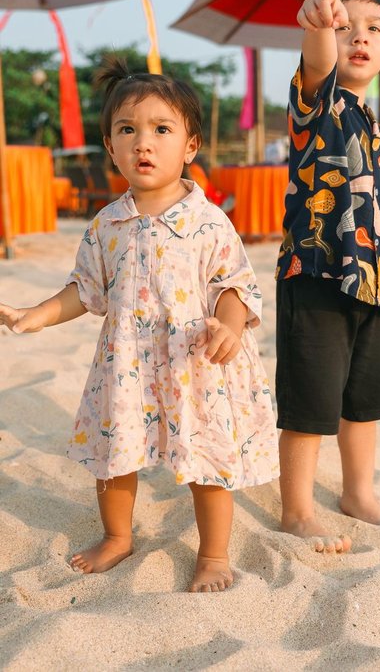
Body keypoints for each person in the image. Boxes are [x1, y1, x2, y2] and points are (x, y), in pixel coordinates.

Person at [0, 58, 279, 593]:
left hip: (193, 365)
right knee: (114, 454)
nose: (142, 143)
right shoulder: (108, 223)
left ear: (190, 147)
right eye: (127, 130)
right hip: (126, 367)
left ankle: (215, 555)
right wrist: (34, 315)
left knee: (205, 462)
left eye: (161, 130)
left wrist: (229, 325)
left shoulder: (208, 220)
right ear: (110, 147)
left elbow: (236, 286)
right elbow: (84, 291)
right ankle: (117, 536)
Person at [275, 0, 380, 551]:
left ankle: (357, 491)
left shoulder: (372, 122)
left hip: (370, 279)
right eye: (345, 26)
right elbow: (318, 64)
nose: (358, 37)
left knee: (364, 399)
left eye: (372, 29)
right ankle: (298, 509)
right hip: (316, 277)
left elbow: (372, 203)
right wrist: (317, 23)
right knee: (311, 402)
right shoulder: (321, 101)